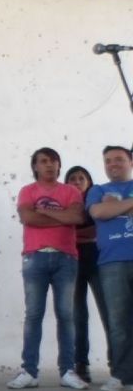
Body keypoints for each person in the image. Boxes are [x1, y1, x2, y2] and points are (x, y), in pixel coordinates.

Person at [7, 147, 88, 390]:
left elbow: (77, 218)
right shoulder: (27, 191)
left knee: (66, 316)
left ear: (59, 165)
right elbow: (28, 219)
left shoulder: (71, 190)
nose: (49, 165)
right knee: (33, 315)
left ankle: (68, 371)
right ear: (35, 167)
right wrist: (60, 215)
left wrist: (42, 210)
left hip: (66, 259)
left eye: (54, 161)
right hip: (35, 258)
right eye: (43, 161)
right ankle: (29, 372)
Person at [86, 146, 133, 391]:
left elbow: (110, 211)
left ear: (130, 162)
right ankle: (121, 376)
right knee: (118, 323)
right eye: (107, 161)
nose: (112, 164)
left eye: (118, 159)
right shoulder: (98, 190)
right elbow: (98, 211)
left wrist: (118, 204)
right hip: (111, 263)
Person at [64, 165, 109, 384]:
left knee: (109, 313)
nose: (77, 181)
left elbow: (97, 230)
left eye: (82, 177)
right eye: (72, 178)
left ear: (89, 182)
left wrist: (74, 234)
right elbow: (61, 232)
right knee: (78, 316)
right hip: (72, 262)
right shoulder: (64, 205)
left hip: (97, 260)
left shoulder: (96, 201)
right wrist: (81, 235)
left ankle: (119, 364)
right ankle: (81, 364)